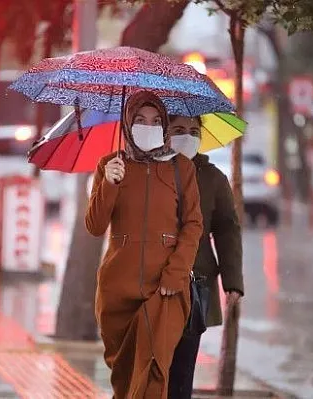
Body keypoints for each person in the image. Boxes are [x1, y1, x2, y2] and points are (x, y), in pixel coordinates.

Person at [85, 90, 203, 398]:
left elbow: (193, 224)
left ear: (164, 126)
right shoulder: (109, 165)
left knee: (153, 371)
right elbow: (95, 226)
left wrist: (176, 273)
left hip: (165, 290)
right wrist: (109, 184)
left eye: (154, 121)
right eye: (139, 120)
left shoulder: (181, 168)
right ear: (126, 124)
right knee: (125, 379)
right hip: (117, 292)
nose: (147, 126)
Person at [166, 116, 244, 398]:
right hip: (151, 281)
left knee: (182, 370)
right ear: (165, 133)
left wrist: (232, 282)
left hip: (195, 285)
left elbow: (227, 229)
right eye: (178, 130)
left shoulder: (213, 178)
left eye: (193, 131)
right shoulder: (151, 171)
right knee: (150, 367)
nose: (186, 136)